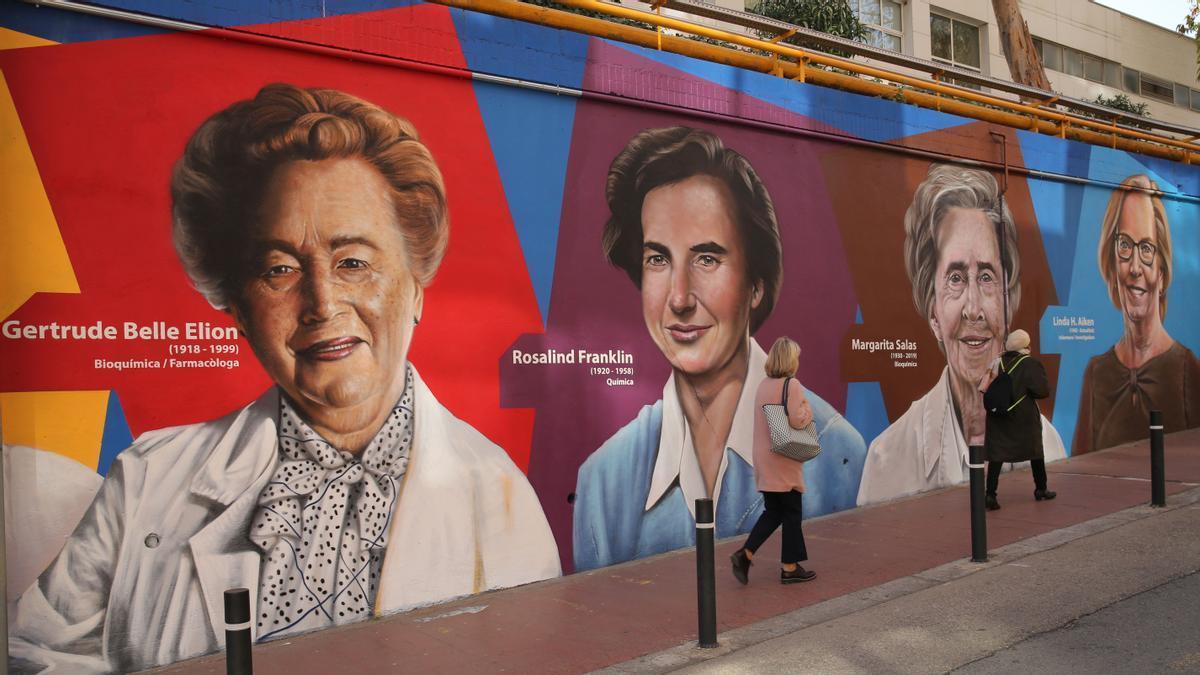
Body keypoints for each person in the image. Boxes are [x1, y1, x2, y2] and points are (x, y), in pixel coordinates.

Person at [10, 84, 560, 673]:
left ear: (416, 290)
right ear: (240, 309)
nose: (322, 303)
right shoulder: (147, 479)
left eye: (353, 262)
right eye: (279, 269)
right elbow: (40, 654)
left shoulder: (499, 497)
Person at [573, 127, 865, 572]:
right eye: (658, 259)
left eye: (707, 259)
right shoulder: (602, 482)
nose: (679, 298)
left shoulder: (841, 454)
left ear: (755, 286)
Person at [857, 164, 1065, 506]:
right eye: (955, 278)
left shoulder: (1049, 441)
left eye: (986, 276)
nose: (973, 309)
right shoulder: (887, 460)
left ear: (1007, 303)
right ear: (933, 310)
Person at [1073, 174, 1200, 455]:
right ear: (1111, 262)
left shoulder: (1186, 371)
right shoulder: (1096, 374)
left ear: (1162, 273)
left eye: (1146, 249)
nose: (1134, 267)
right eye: (1124, 246)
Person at [730, 337, 817, 585]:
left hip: (765, 458)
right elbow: (797, 421)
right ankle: (789, 568)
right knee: (791, 512)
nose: (798, 361)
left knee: (774, 511)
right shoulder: (792, 384)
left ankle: (745, 554)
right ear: (790, 360)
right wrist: (807, 409)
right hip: (783, 458)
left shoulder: (763, 385)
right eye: (796, 357)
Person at [980, 329, 1056, 510]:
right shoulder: (1031, 363)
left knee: (996, 455)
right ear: (1025, 346)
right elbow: (1042, 391)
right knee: (1035, 451)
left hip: (998, 416)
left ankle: (990, 495)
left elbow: (983, 387)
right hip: (1023, 417)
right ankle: (1041, 489)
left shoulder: (996, 362)